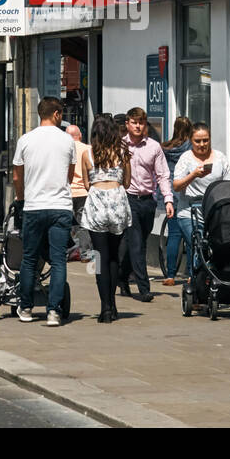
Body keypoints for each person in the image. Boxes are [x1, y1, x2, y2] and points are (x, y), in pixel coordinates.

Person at [11, 96, 76, 326]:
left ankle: (26, 308)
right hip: (60, 206)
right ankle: (53, 312)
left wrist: (21, 196)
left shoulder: (26, 140)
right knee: (58, 260)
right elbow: (69, 175)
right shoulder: (67, 141)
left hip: (34, 206)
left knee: (29, 259)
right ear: (57, 114)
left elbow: (17, 175)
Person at [81, 114, 133, 322]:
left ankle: (105, 308)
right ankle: (113, 303)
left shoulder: (88, 154)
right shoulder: (122, 153)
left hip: (97, 203)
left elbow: (86, 184)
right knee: (113, 257)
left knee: (99, 258)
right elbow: (127, 182)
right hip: (118, 202)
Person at [118, 106, 172, 303]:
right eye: (134, 122)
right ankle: (144, 288)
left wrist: (168, 199)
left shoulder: (154, 147)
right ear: (127, 124)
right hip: (128, 199)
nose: (138, 126)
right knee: (137, 244)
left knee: (138, 241)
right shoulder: (120, 146)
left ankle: (122, 277)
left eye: (141, 122)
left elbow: (163, 175)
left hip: (148, 201)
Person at [169, 122, 230, 282]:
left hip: (213, 212)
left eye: (205, 140)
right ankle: (196, 282)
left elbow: (229, 183)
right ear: (191, 140)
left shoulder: (220, 157)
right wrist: (194, 175)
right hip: (189, 211)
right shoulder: (186, 158)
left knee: (213, 247)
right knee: (197, 245)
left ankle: (208, 280)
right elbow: (176, 186)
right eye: (198, 141)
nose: (202, 144)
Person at [159, 117, 193, 283]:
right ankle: (190, 274)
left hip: (171, 194)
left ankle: (171, 275)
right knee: (191, 237)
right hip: (186, 193)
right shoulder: (191, 148)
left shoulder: (166, 147)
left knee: (173, 236)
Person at [66, 124, 92, 261]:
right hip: (84, 192)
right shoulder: (88, 149)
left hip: (68, 192)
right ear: (80, 135)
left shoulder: (64, 149)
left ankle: (66, 252)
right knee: (84, 225)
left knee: (65, 224)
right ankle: (86, 253)